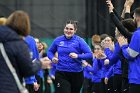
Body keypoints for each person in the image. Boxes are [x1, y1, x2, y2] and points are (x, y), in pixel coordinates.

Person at [0, 10, 51, 93]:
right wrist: (40, 63)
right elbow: (28, 68)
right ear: (26, 26)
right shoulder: (21, 42)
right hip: (11, 85)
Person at [47, 20, 93, 93]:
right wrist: (52, 58)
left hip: (77, 74)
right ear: (64, 29)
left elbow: (90, 54)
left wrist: (77, 56)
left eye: (71, 29)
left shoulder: (79, 41)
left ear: (75, 30)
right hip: (61, 72)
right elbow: (50, 52)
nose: (68, 31)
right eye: (66, 28)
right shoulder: (58, 40)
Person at [117, 7, 140, 93]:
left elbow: (131, 55)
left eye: (133, 17)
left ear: (137, 18)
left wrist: (124, 46)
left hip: (137, 78)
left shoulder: (137, 34)